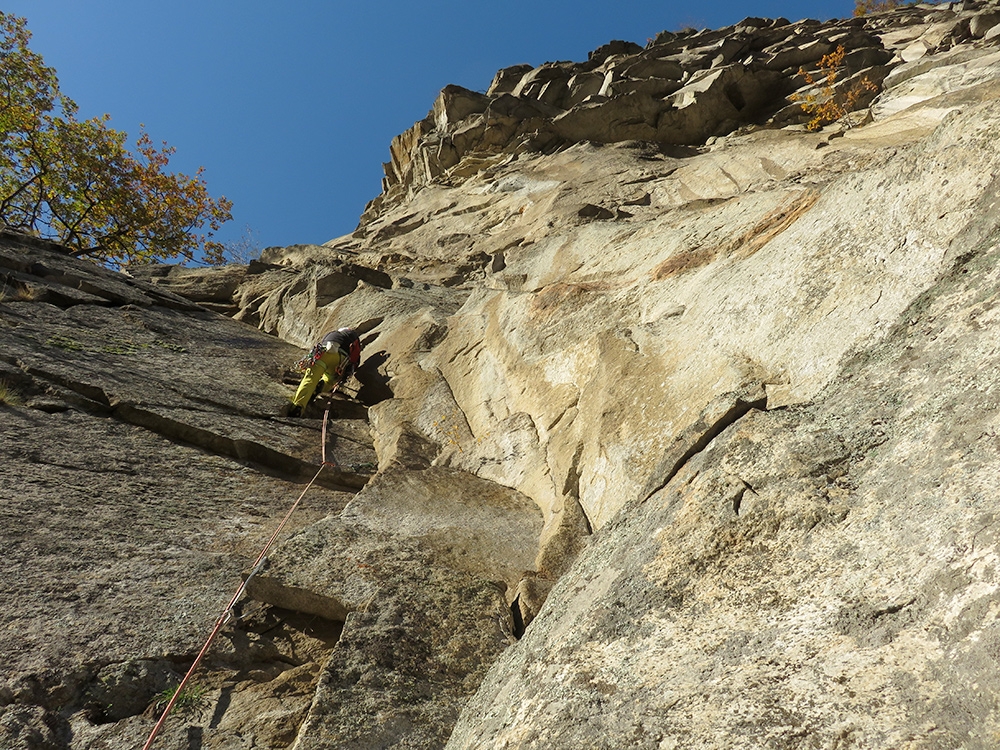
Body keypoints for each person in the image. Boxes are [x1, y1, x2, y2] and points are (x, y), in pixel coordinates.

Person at [288, 327, 361, 417]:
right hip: (338, 359)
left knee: (310, 378)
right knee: (330, 380)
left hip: (322, 353)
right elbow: (354, 360)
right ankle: (322, 386)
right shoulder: (354, 338)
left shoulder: (330, 334)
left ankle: (298, 406)